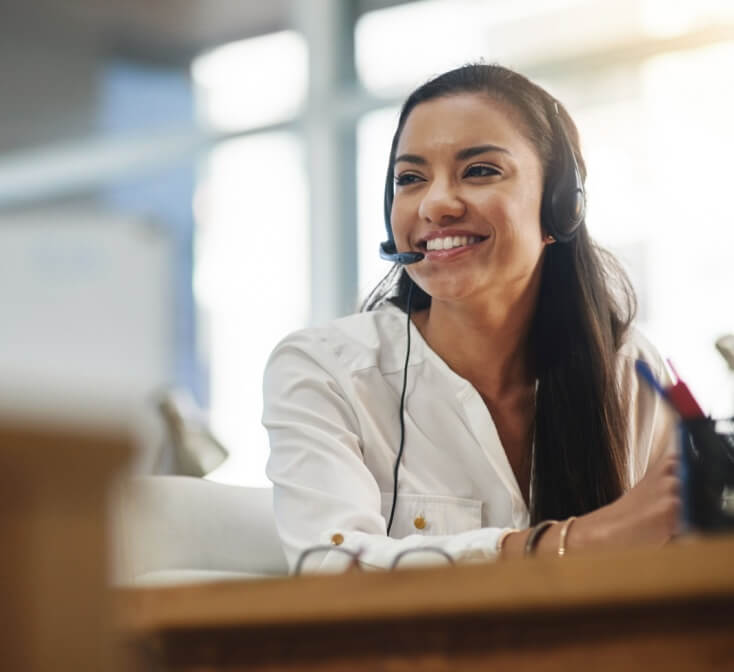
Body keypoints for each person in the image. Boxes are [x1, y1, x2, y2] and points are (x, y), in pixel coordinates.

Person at [263, 63, 679, 573]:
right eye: (410, 179)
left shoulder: (628, 367)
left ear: (560, 206)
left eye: (480, 170)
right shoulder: (325, 369)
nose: (436, 204)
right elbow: (329, 567)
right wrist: (576, 541)